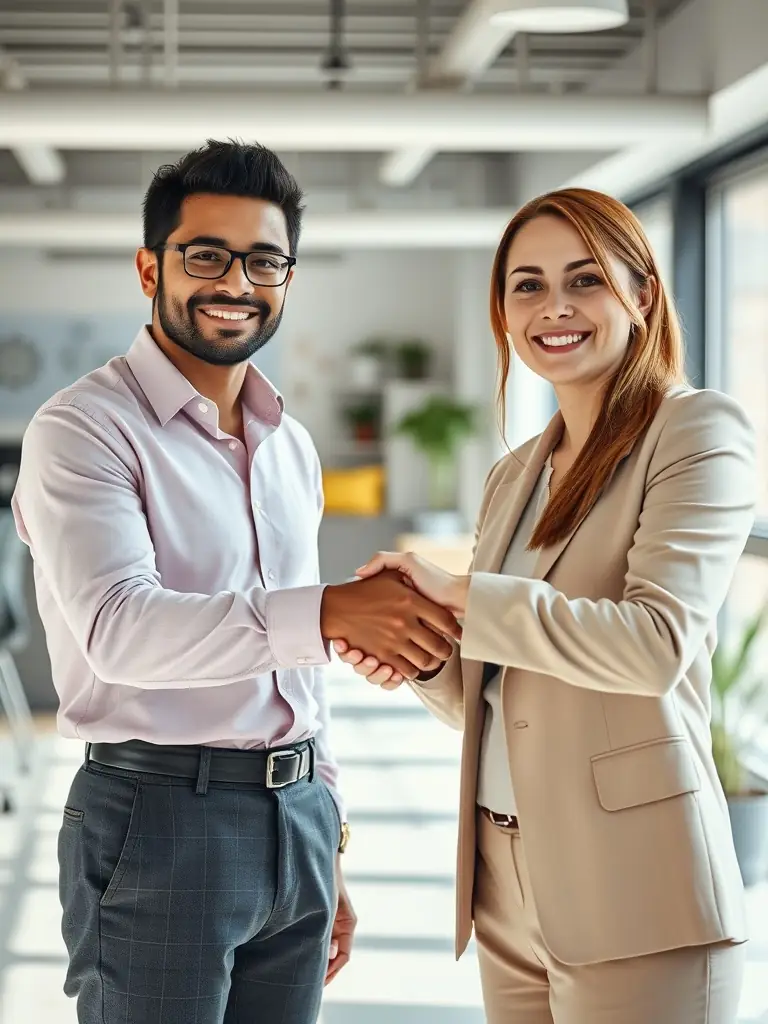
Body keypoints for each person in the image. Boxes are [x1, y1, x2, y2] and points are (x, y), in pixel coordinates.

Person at [11, 139, 461, 1024]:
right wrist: (330, 612)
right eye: (206, 255)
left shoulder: (290, 445)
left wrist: (327, 839)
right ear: (151, 268)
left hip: (297, 817)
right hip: (158, 819)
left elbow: (298, 681)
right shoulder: (83, 430)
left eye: (263, 260)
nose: (236, 283)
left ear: (287, 276)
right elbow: (120, 632)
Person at [334, 187, 755, 1024]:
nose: (554, 307)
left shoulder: (695, 431)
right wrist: (420, 654)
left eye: (584, 279)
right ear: (503, 312)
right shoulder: (514, 475)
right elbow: (496, 699)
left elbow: (655, 645)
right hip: (504, 888)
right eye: (527, 285)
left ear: (642, 294)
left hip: (636, 889)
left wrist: (461, 592)